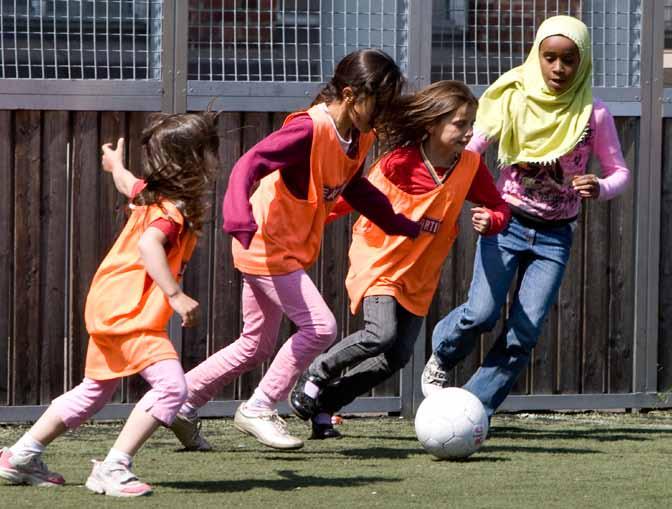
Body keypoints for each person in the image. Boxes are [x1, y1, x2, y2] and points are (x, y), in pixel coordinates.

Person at [169, 48, 419, 451]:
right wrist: (237, 216)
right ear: (352, 94)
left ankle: (180, 401)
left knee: (255, 345)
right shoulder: (308, 129)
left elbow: (354, 186)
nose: (384, 114)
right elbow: (249, 164)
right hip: (265, 246)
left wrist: (396, 222)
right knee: (321, 327)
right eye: (380, 103)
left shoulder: (359, 136)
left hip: (282, 250)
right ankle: (260, 407)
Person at [420, 16, 631, 420]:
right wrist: (463, 188)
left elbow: (620, 172)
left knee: (525, 331)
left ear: (583, 62)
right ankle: (444, 352)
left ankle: (472, 408)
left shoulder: (594, 115)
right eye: (549, 58)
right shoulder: (514, 98)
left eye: (568, 60)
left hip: (555, 236)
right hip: (507, 224)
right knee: (481, 312)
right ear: (536, 56)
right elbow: (473, 149)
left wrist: (600, 186)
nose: (558, 69)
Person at [0, 113, 220, 497]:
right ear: (193, 162)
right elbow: (149, 245)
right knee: (172, 388)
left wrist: (115, 165)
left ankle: (21, 455)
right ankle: (114, 468)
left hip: (109, 304)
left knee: (93, 391)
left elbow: (127, 184)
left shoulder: (153, 195)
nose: (214, 162)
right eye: (209, 154)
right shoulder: (172, 211)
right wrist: (175, 294)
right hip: (130, 314)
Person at [287, 80, 510, 438]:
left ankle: (326, 405)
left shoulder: (469, 166)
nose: (469, 133)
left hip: (420, 274)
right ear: (431, 124)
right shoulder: (397, 164)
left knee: (396, 356)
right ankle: (318, 371)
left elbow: (499, 205)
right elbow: (347, 198)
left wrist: (493, 219)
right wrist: (306, 218)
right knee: (380, 333)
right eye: (460, 124)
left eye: (471, 124)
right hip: (380, 262)